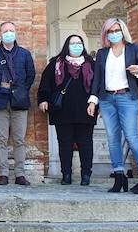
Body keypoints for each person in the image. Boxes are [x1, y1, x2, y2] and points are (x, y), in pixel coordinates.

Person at [89, 18, 138, 194]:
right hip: (107, 99)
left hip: (127, 97)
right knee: (112, 138)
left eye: (117, 30)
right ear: (106, 34)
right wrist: (93, 100)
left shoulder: (134, 49)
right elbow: (97, 79)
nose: (114, 34)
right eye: (110, 31)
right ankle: (119, 176)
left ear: (123, 31)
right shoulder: (103, 53)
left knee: (131, 136)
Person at [37, 35, 97, 186]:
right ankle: (66, 175)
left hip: (86, 108)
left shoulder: (91, 64)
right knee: (65, 143)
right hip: (62, 110)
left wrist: (98, 104)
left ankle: (86, 175)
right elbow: (45, 83)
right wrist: (43, 99)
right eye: (73, 43)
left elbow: (98, 85)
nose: (76, 46)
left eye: (79, 43)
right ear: (67, 46)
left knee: (85, 143)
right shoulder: (56, 64)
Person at [0, 21, 36, 186]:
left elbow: (31, 74)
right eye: (5, 31)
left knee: (19, 139)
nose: (8, 33)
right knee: (1, 139)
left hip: (19, 102)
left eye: (11, 30)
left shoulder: (24, 54)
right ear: (0, 34)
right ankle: (3, 173)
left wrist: (20, 90)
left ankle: (20, 173)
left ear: (16, 32)